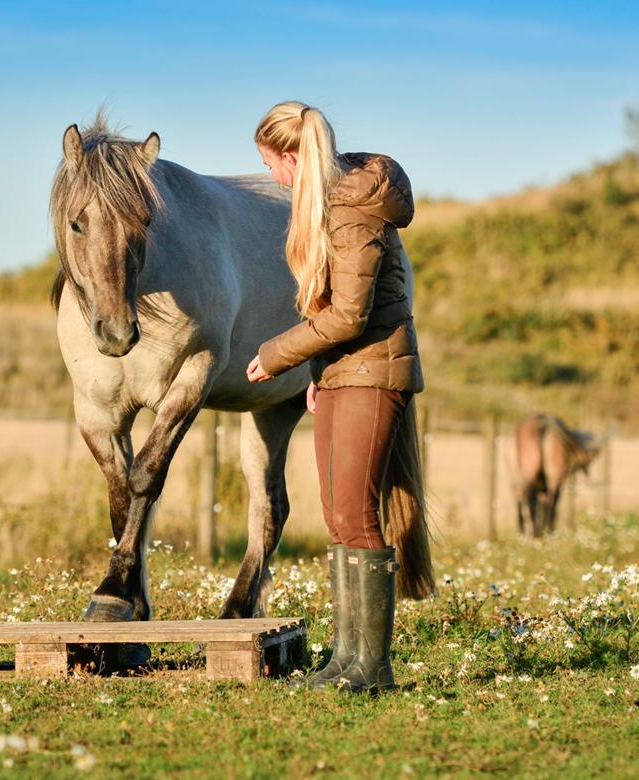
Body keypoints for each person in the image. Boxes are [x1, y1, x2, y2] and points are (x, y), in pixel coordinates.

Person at [246, 100, 427, 693]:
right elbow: (335, 311)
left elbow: (350, 314)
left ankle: (371, 669)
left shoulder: (350, 215)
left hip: (373, 373)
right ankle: (344, 662)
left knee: (354, 515)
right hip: (343, 375)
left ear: (294, 157)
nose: (272, 177)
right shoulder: (333, 209)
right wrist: (320, 373)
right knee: (338, 516)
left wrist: (277, 355)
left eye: (272, 164)